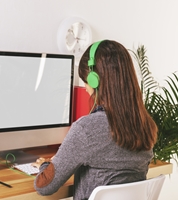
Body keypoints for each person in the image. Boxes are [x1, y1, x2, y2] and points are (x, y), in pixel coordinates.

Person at [32, 40, 158, 200]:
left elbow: (45, 186)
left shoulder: (87, 129)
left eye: (85, 80)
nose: (85, 87)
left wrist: (46, 166)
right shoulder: (145, 126)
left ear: (94, 80)